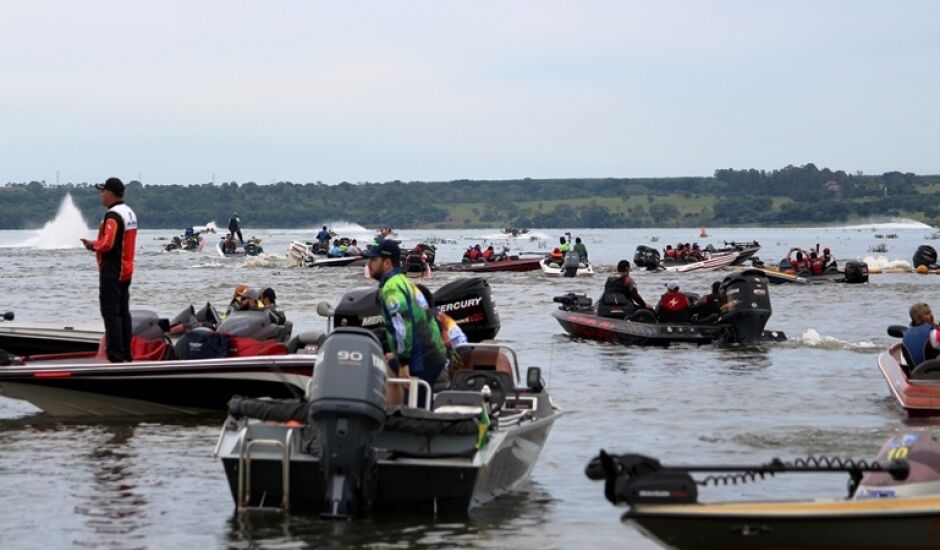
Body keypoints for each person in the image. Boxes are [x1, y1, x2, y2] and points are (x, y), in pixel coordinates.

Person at [364, 239, 448, 401]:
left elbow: (402, 326)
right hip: (431, 353)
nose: (369, 264)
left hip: (423, 359)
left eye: (374, 260)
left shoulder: (392, 288)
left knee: (416, 411)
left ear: (387, 263)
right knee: (386, 371)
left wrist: (403, 363)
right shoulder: (402, 281)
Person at [80, 177, 138, 363]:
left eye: (103, 191)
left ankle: (115, 356)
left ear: (111, 193)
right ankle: (126, 354)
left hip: (112, 272)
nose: (101, 195)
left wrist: (92, 245)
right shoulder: (129, 212)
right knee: (123, 313)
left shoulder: (113, 215)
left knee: (110, 313)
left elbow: (108, 243)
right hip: (126, 270)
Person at [902, 302, 940, 368]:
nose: (931, 315)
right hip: (935, 373)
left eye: (930, 312)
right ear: (918, 319)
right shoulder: (933, 333)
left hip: (916, 374)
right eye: (927, 314)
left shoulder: (907, 333)